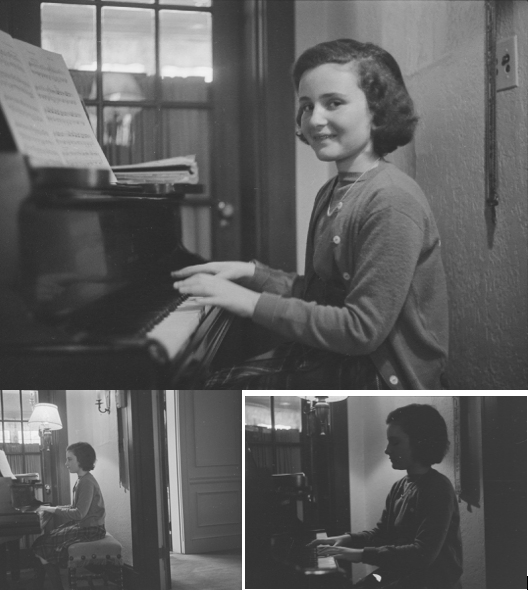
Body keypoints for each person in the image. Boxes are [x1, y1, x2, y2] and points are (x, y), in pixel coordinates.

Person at [171, 39, 448, 389]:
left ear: (378, 110)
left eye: (333, 103)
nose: (314, 119)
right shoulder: (332, 190)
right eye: (306, 106)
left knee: (212, 386)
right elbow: (321, 298)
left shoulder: (390, 199)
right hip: (338, 357)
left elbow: (360, 330)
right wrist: (250, 274)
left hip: (381, 376)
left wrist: (250, 302)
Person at [308, 404, 462, 589]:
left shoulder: (438, 488)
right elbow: (381, 535)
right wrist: (346, 539)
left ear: (420, 442)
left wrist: (355, 554)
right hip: (400, 574)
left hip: (428, 581)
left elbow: (422, 555)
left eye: (395, 442)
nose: (387, 450)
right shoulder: (400, 486)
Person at [32, 442, 106, 588]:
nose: (66, 463)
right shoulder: (82, 479)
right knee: (42, 542)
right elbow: (74, 508)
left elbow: (79, 513)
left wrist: (51, 510)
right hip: (85, 526)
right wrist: (51, 508)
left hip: (92, 530)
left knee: (41, 546)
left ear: (81, 460)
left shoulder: (86, 482)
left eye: (69, 459)